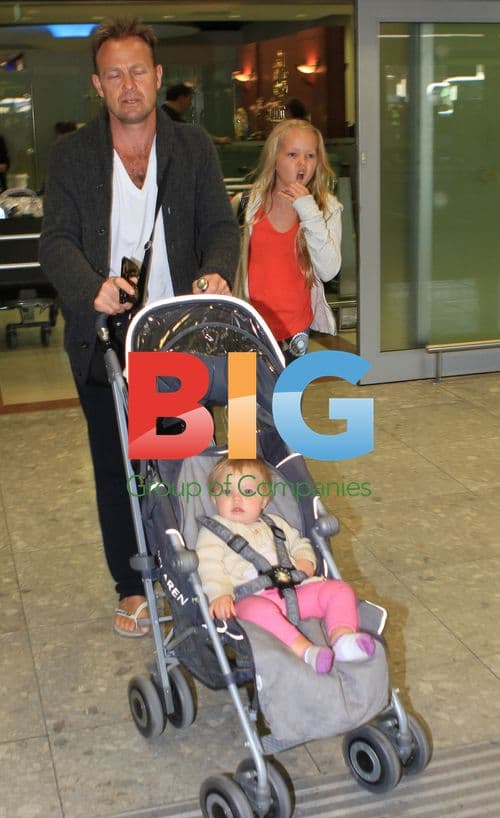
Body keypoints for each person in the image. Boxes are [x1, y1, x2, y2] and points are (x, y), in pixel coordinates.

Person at [39, 17, 239, 637]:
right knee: (116, 463)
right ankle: (133, 585)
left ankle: (198, 567)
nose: (128, 85)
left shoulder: (192, 147)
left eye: (138, 71)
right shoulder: (73, 157)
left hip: (174, 332)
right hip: (105, 336)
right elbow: (56, 242)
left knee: (182, 457)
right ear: (97, 85)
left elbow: (220, 227)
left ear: (157, 78)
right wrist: (88, 288)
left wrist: (214, 272)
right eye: (114, 74)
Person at [196, 458, 376, 674]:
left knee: (339, 590)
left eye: (247, 491)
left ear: (264, 501)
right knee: (255, 611)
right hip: (251, 598)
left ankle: (343, 639)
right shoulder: (213, 532)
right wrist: (220, 594)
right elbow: (208, 565)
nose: (236, 498)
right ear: (215, 499)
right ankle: (306, 651)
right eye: (227, 491)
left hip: (295, 591)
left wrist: (305, 561)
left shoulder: (276, 524)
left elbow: (300, 544)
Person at [233, 119, 342, 362]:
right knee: (243, 400)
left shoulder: (326, 209)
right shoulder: (246, 205)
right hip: (245, 329)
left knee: (287, 400)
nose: (302, 163)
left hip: (295, 333)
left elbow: (328, 271)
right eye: (292, 154)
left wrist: (308, 210)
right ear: (275, 158)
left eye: (310, 155)